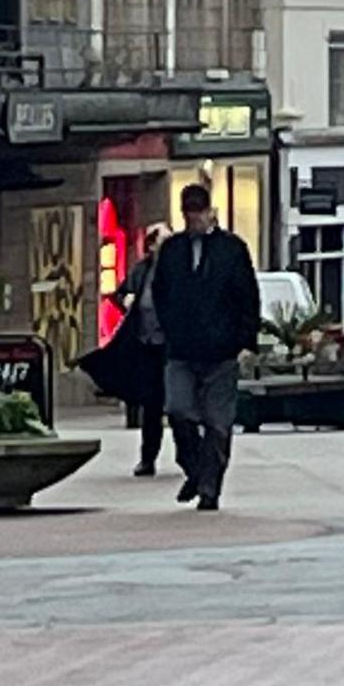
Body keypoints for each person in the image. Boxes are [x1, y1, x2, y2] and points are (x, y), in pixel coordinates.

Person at [150, 184, 259, 511]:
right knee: (179, 411)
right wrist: (170, 329)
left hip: (220, 352)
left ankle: (210, 487)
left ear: (209, 211)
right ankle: (194, 469)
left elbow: (247, 297)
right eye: (188, 212)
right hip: (182, 350)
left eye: (198, 211)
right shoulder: (172, 251)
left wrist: (243, 340)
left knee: (217, 423)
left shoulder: (231, 249)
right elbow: (161, 293)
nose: (193, 218)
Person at [76, 224, 170, 476]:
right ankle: (147, 457)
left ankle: (190, 454)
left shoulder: (176, 270)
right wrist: (129, 304)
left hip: (171, 347)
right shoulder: (142, 270)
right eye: (162, 241)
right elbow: (121, 293)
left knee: (180, 404)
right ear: (151, 245)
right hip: (145, 344)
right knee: (152, 403)